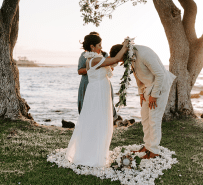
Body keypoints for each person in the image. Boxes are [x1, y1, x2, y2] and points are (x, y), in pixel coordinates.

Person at [66, 35, 128, 167]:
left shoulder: (93, 58)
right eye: (99, 45)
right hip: (98, 92)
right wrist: (126, 46)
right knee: (100, 121)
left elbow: (113, 63)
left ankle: (97, 151)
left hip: (98, 91)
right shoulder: (94, 59)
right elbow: (116, 59)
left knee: (98, 120)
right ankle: (93, 155)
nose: (101, 48)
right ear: (92, 47)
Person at [110, 44, 176, 159]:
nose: (122, 63)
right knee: (145, 118)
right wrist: (141, 93)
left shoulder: (144, 54)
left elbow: (160, 74)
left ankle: (154, 151)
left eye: (121, 60)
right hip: (147, 87)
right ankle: (147, 146)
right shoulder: (130, 55)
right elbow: (137, 75)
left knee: (154, 119)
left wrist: (154, 95)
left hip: (160, 87)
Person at [77, 32, 118, 121]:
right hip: (88, 82)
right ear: (92, 45)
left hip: (103, 81)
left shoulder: (105, 54)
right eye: (99, 44)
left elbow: (110, 67)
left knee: (106, 103)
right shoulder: (84, 55)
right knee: (88, 104)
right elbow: (80, 71)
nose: (100, 46)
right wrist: (93, 69)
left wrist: (107, 67)